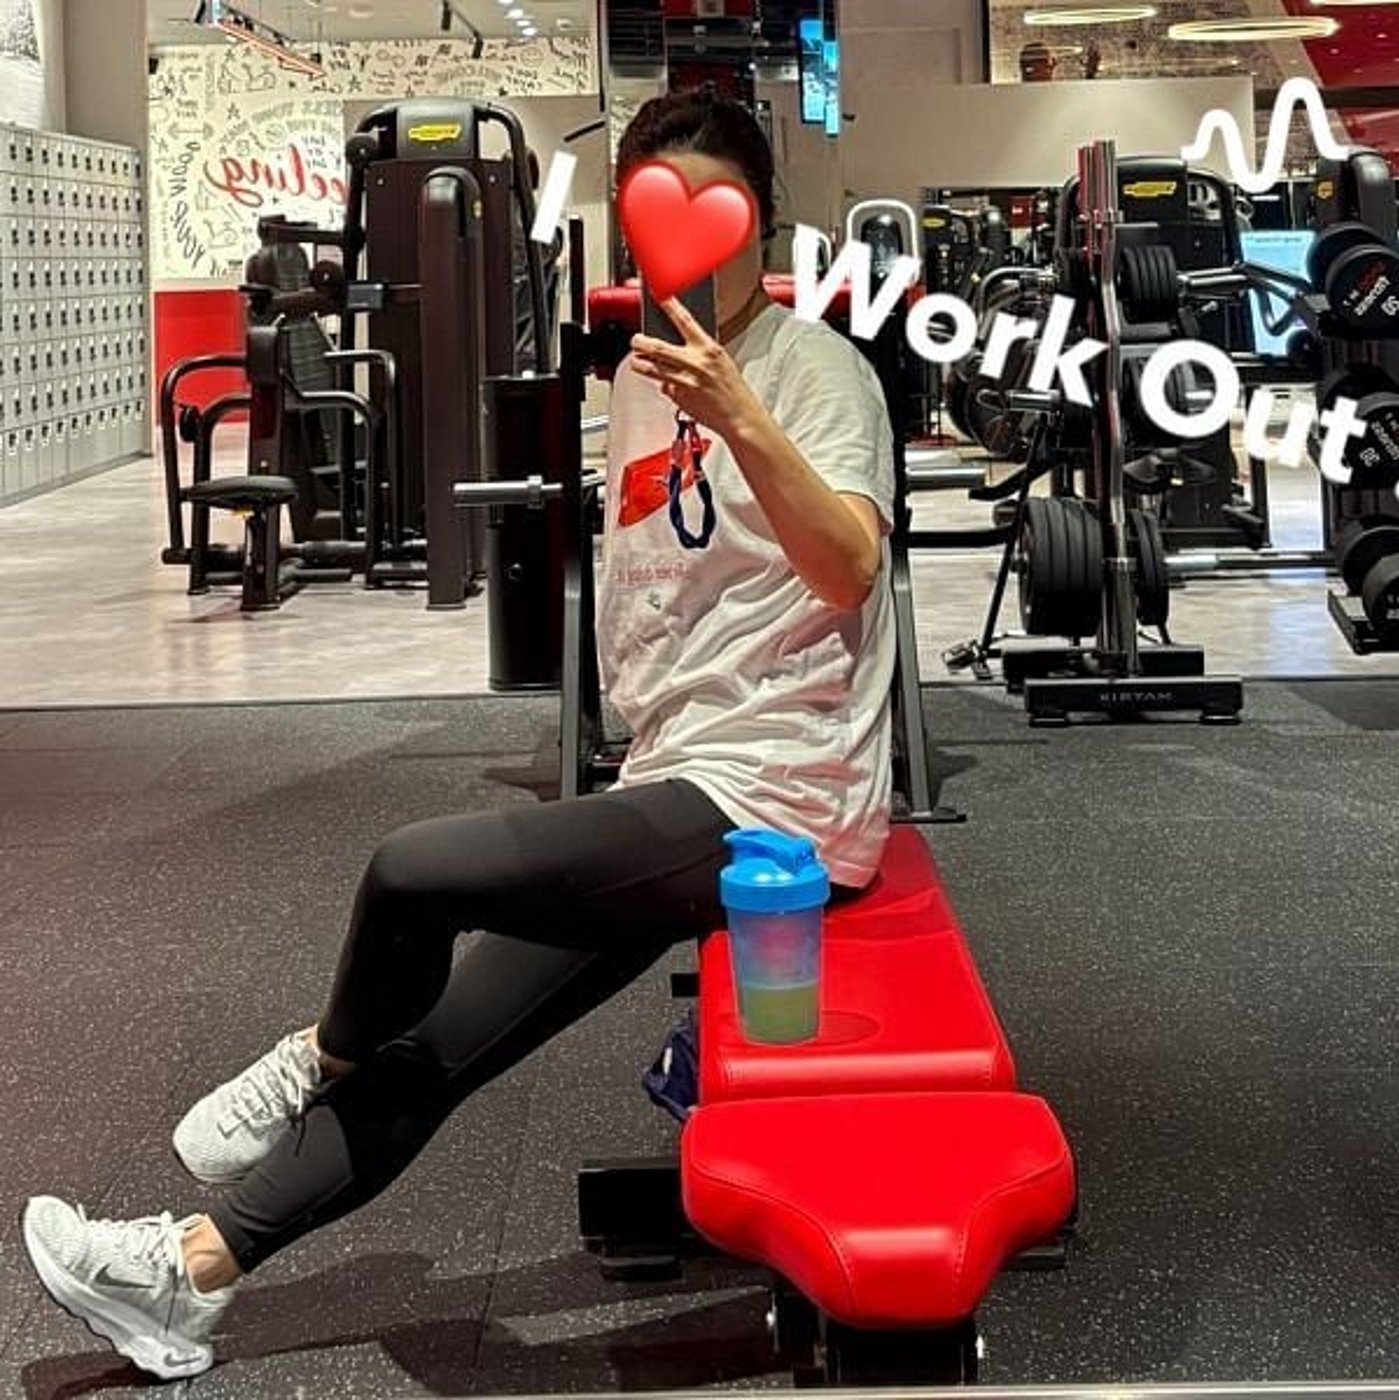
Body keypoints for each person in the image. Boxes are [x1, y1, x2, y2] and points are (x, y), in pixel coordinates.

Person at [20, 90, 897, 1381]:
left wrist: (745, 418)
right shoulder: (640, 383)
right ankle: (187, 1275)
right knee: (438, 1043)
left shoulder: (816, 372)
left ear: (763, 224)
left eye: (717, 218)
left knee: (413, 872)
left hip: (780, 799)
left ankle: (316, 1056)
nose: (687, 254)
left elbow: (851, 570)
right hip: (676, 779)